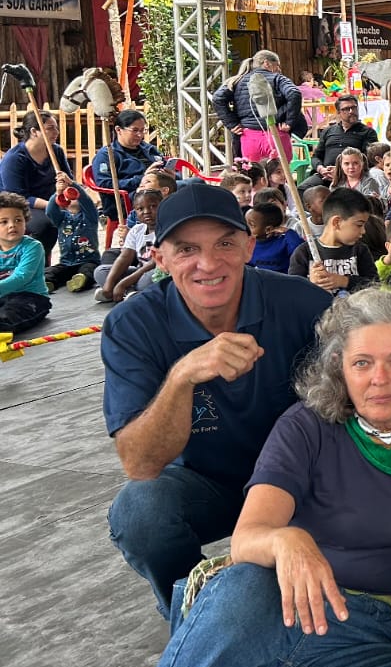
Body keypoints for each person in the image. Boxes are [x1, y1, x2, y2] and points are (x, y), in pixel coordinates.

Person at [96, 289, 391, 667]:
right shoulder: (306, 426)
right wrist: (285, 539)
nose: (379, 378)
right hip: (266, 622)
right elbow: (247, 537)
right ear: (339, 367)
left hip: (347, 649)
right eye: (362, 363)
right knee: (243, 582)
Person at [100, 184, 333, 615]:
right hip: (209, 485)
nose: (208, 264)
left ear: (248, 246)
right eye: (187, 249)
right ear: (159, 258)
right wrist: (183, 376)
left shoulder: (305, 303)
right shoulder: (132, 324)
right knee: (139, 512)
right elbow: (140, 464)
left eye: (224, 244)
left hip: (305, 480)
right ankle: (192, 614)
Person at [211, 49, 304, 164]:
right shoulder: (278, 78)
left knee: (253, 173)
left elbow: (217, 98)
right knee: (280, 173)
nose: (279, 70)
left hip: (248, 137)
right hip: (276, 135)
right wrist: (289, 122)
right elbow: (294, 93)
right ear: (267, 63)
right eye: (277, 65)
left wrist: (232, 124)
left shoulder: (236, 81)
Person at [1, 110, 69, 254]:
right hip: (18, 205)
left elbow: (69, 180)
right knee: (45, 224)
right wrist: (53, 205)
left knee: (82, 216)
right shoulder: (14, 158)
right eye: (50, 128)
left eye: (56, 128)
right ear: (34, 131)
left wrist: (66, 185)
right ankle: (35, 261)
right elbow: (19, 197)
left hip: (51, 200)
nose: (56, 132)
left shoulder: (56, 151)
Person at [289, 186, 379, 294]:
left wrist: (344, 281)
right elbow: (293, 293)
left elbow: (375, 287)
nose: (363, 231)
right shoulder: (303, 253)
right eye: (359, 225)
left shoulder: (360, 250)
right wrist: (310, 284)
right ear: (336, 222)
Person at [91, 110, 164, 223]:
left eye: (142, 130)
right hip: (126, 200)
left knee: (189, 184)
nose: (140, 135)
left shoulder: (148, 149)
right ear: (118, 130)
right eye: (135, 130)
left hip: (160, 187)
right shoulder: (107, 155)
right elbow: (104, 183)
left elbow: (164, 164)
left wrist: (170, 173)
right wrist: (142, 179)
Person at [0, 191, 50, 334]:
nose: (12, 225)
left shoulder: (33, 246)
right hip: (3, 295)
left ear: (25, 221)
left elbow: (22, 277)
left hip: (31, 297)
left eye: (18, 220)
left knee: (8, 316)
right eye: (4, 222)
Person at [45, 171, 100, 292]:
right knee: (50, 271)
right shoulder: (61, 218)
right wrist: (58, 193)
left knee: (89, 271)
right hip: (66, 263)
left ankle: (81, 281)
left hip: (88, 261)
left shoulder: (90, 216)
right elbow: (50, 211)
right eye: (67, 194)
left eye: (72, 194)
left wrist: (72, 184)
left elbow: (86, 201)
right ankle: (49, 282)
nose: (70, 196)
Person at [309, 94, 380, 187]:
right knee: (302, 189)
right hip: (325, 175)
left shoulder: (368, 132)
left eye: (354, 108)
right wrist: (321, 169)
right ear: (338, 112)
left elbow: (368, 160)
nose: (351, 111)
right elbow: (316, 157)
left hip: (352, 176)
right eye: (346, 109)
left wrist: (340, 171)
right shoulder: (328, 131)